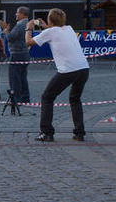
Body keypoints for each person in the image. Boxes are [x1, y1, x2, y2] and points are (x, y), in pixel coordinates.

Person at [26, 9, 89, 142]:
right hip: (83, 68)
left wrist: (28, 28)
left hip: (68, 70)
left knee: (47, 97)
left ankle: (46, 132)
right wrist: (45, 27)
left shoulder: (50, 32)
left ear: (50, 20)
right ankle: (79, 133)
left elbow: (29, 42)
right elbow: (55, 32)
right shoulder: (69, 29)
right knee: (75, 99)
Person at [5, 6, 31, 103]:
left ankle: (16, 99)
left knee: (15, 78)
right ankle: (25, 97)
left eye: (17, 13)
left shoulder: (20, 25)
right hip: (25, 53)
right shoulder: (27, 24)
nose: (16, 14)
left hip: (17, 54)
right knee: (22, 77)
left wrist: (6, 32)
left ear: (23, 14)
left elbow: (11, 37)